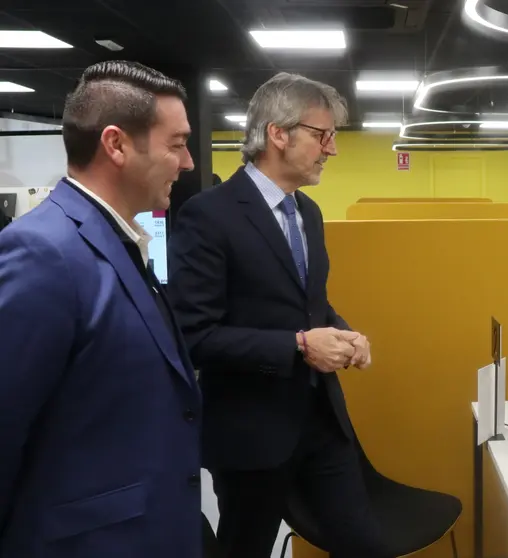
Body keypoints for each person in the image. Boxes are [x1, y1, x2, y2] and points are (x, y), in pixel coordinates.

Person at [168, 72, 384, 558]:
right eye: (322, 135)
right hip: (251, 432)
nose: (332, 150)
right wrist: (299, 346)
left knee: (364, 544)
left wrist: (345, 335)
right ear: (278, 134)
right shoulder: (209, 215)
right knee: (246, 549)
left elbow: (312, 304)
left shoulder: (307, 212)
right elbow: (194, 334)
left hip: (321, 421)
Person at [0, 61, 200, 557]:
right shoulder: (42, 253)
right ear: (116, 145)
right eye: (176, 144)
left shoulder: (121, 238)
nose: (190, 162)